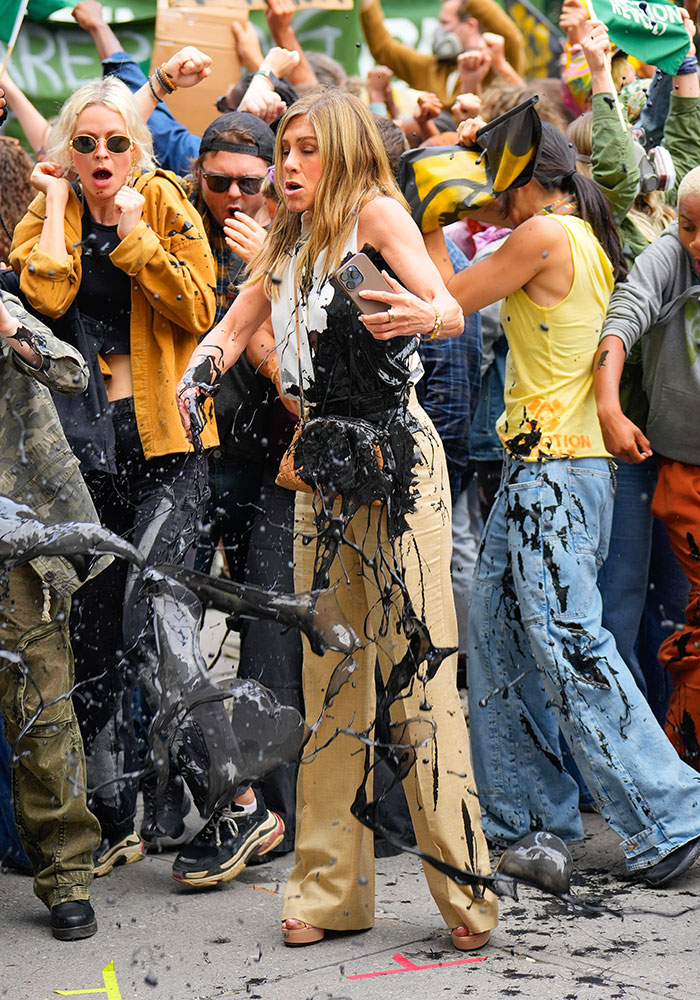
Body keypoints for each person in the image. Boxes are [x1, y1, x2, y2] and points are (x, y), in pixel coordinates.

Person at [176, 89, 497, 950]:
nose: (287, 166)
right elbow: (241, 316)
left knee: (421, 675)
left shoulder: (378, 214)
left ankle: (466, 893)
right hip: (320, 470)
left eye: (306, 150)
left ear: (347, 152)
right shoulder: (287, 235)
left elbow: (452, 307)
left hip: (399, 468)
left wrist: (421, 314)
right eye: (285, 148)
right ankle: (326, 895)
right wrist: (200, 369)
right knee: (332, 688)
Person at [450, 113, 700, 886]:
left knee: (568, 645)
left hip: (555, 472)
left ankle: (671, 814)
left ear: (523, 180)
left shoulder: (548, 235)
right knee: (500, 644)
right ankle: (529, 822)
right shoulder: (571, 227)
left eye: (493, 176)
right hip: (547, 471)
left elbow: (444, 297)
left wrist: (428, 209)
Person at [9, 75, 224, 877]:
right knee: (92, 631)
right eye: (87, 142)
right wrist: (64, 210)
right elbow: (41, 293)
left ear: (138, 149)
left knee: (164, 628)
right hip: (86, 453)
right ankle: (113, 816)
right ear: (69, 149)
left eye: (118, 142)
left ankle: (235, 807)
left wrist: (136, 236)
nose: (103, 154)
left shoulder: (165, 202)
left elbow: (200, 308)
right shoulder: (50, 208)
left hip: (166, 445)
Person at [0, 286, 102, 940]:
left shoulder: (5, 314)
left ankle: (67, 878)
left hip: (15, 547)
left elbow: (71, 372)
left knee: (43, 711)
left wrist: (7, 325)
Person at [594, 162, 700, 775]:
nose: (696, 243)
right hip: (682, 472)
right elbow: (625, 314)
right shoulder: (669, 255)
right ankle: (678, 760)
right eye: (687, 228)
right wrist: (609, 403)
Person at [360, 0, 525, 109]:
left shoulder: (496, 66)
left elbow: (511, 38)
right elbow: (384, 49)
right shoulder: (431, 68)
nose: (440, 31)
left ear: (470, 25)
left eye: (446, 23)